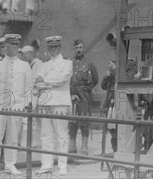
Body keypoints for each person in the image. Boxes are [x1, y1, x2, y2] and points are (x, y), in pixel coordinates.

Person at [0, 34, 32, 176]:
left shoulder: (24, 66)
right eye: (11, 45)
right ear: (5, 46)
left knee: (13, 138)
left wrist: (27, 105)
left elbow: (29, 87)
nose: (13, 47)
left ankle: (10, 164)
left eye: (16, 45)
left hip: (16, 107)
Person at [35, 36, 73, 176]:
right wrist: (46, 82)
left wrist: (44, 80)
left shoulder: (67, 63)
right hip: (45, 102)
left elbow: (62, 80)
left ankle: (62, 165)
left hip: (60, 102)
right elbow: (37, 84)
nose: (53, 49)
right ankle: (46, 164)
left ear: (60, 47)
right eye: (50, 47)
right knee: (46, 135)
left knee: (61, 135)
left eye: (55, 47)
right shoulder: (43, 65)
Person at [69, 39, 98, 155]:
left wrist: (87, 89)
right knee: (72, 120)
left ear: (83, 49)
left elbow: (95, 79)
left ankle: (84, 146)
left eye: (80, 47)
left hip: (83, 95)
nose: (78, 50)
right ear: (73, 49)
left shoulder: (89, 63)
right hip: (71, 93)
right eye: (76, 48)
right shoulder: (69, 63)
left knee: (84, 120)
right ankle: (72, 144)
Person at [19, 44, 43, 148]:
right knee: (27, 119)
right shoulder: (29, 64)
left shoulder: (38, 64)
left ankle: (31, 143)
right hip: (28, 94)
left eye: (25, 55)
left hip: (34, 94)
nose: (23, 57)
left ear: (30, 54)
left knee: (30, 119)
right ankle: (27, 142)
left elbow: (38, 80)